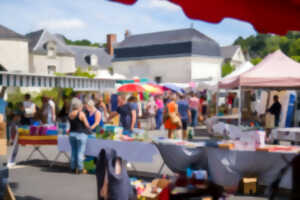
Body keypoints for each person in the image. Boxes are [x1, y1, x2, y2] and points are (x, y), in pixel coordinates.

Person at [68, 98, 91, 174]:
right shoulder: (81, 114)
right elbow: (87, 125)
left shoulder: (70, 114)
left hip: (72, 134)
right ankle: (80, 168)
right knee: (80, 152)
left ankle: (72, 167)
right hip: (81, 134)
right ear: (79, 107)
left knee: (73, 151)